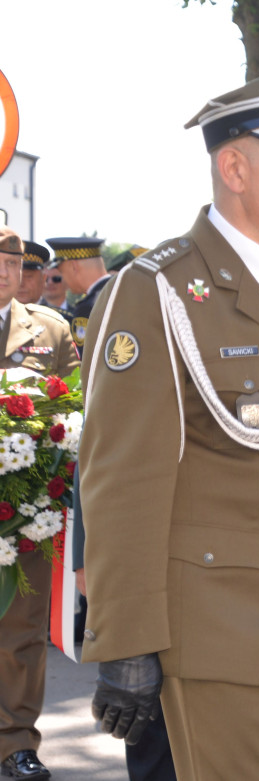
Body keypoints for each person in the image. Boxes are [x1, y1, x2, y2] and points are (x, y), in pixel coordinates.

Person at [77, 64, 259, 781]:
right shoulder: (157, 290)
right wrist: (126, 640)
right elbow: (124, 481)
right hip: (216, 629)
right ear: (234, 166)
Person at [0, 226, 80, 781]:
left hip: (26, 510)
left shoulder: (49, 330)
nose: (4, 273)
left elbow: (76, 410)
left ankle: (15, 741)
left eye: (11, 265)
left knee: (22, 632)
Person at [44, 237, 110, 349]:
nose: (63, 278)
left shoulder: (88, 307)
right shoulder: (123, 289)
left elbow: (84, 359)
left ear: (74, 267)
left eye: (61, 272)